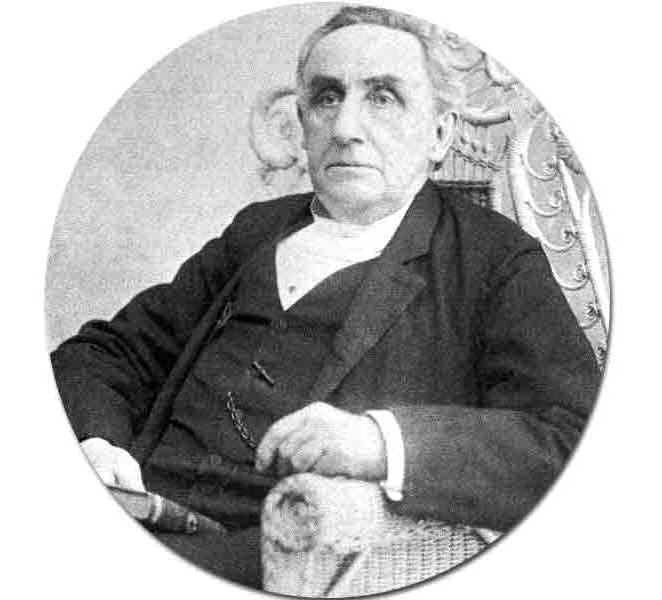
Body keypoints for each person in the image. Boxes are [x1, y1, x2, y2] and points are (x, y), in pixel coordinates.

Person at [51, 5, 601, 590]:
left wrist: (383, 443)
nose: (345, 128)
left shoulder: (492, 258)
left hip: (270, 556)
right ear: (303, 123)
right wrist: (97, 443)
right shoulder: (256, 232)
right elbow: (104, 354)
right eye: (327, 97)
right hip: (142, 513)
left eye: (383, 97)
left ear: (440, 134)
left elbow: (571, 439)